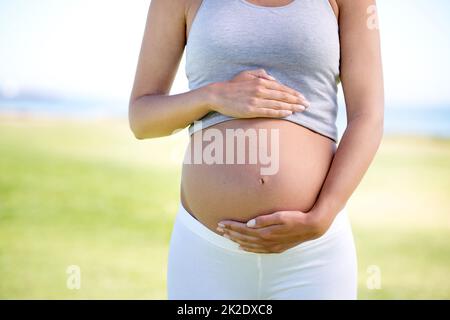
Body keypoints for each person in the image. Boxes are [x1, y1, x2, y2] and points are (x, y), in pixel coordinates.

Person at [128, 0, 384, 299]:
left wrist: (321, 217)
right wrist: (213, 96)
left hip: (313, 253)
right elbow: (142, 119)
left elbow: (368, 117)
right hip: (206, 253)